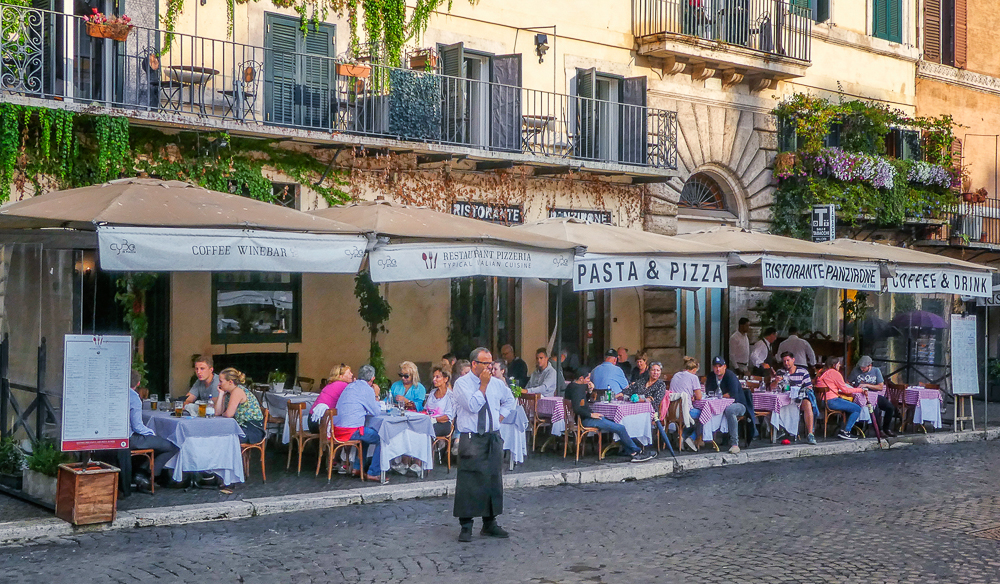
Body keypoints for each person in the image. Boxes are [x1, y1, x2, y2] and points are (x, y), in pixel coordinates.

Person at [453, 347, 515, 542]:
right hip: (472, 437)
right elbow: (473, 406)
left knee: (493, 480)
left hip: (492, 436)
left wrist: (499, 417)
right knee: (469, 480)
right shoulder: (462, 384)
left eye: (491, 363)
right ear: (474, 364)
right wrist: (483, 386)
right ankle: (466, 525)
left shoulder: (497, 383)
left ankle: (490, 523)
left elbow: (510, 400)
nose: (490, 367)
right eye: (486, 363)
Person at [566, 365, 655, 463]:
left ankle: (630, 450)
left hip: (581, 418)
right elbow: (577, 408)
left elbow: (583, 403)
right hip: (585, 419)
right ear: (581, 378)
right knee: (620, 428)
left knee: (616, 424)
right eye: (587, 378)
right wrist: (591, 415)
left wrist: (590, 391)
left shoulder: (572, 386)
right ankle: (636, 452)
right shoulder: (577, 389)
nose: (589, 380)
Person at [119, 370, 178, 495]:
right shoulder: (133, 397)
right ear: (138, 383)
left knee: (156, 442)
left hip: (118, 437)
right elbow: (137, 427)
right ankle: (148, 476)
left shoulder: (116, 393)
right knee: (172, 446)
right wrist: (152, 433)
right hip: (130, 438)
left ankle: (141, 473)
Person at [333, 365, 383, 481]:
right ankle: (374, 472)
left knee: (366, 435)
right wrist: (376, 394)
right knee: (382, 438)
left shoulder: (350, 386)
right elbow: (376, 412)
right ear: (372, 378)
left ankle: (357, 467)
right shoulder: (367, 389)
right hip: (350, 431)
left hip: (337, 429)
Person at [705, 356, 756, 453]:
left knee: (730, 410)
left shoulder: (730, 376)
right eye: (715, 366)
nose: (718, 369)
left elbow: (732, 394)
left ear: (725, 366)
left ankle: (734, 444)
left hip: (739, 404)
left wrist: (719, 396)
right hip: (719, 404)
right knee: (705, 408)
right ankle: (699, 439)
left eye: (720, 366)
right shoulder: (711, 376)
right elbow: (708, 392)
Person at [772, 351, 818, 445]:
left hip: (799, 399)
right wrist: (776, 381)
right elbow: (772, 388)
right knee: (775, 403)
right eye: (784, 361)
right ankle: (780, 429)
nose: (786, 363)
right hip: (785, 400)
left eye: (788, 360)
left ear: (793, 360)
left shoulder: (803, 372)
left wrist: (798, 390)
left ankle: (810, 434)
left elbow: (809, 387)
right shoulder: (780, 372)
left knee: (807, 404)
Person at [623, 360, 671, 447]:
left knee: (633, 419)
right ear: (649, 371)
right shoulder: (642, 381)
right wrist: (621, 394)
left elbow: (656, 400)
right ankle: (628, 443)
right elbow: (628, 391)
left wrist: (642, 400)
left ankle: (637, 444)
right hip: (635, 409)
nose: (655, 372)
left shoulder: (660, 384)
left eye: (658, 370)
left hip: (651, 412)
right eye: (653, 370)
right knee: (625, 419)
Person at [848, 356, 898, 437]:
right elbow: (848, 382)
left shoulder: (876, 371)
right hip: (861, 396)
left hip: (874, 395)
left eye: (864, 367)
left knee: (890, 407)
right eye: (861, 367)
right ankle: (879, 430)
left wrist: (867, 385)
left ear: (870, 365)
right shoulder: (855, 371)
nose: (862, 369)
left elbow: (880, 387)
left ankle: (886, 428)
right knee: (875, 408)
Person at [816, 356, 864, 441]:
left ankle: (842, 429)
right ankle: (846, 432)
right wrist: (860, 390)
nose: (840, 365)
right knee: (857, 408)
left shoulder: (820, 372)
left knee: (849, 407)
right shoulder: (834, 373)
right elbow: (845, 390)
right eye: (838, 364)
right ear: (834, 365)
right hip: (831, 401)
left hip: (821, 402)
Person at [214, 367, 265, 445]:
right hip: (241, 426)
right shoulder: (227, 393)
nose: (219, 384)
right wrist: (221, 394)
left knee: (224, 438)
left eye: (221, 381)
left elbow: (228, 414)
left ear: (230, 382)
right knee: (216, 434)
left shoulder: (237, 391)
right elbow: (217, 413)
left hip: (252, 428)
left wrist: (223, 413)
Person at [670, 356, 705, 452]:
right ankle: (691, 438)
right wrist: (693, 396)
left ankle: (681, 437)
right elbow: (699, 396)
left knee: (692, 420)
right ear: (694, 369)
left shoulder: (676, 375)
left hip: (673, 411)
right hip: (685, 411)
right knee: (705, 415)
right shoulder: (693, 377)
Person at [308, 363, 354, 433]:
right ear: (340, 376)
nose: (352, 374)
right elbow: (354, 399)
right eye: (349, 373)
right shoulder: (343, 385)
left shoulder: (331, 384)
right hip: (322, 423)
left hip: (312, 420)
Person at [425, 367, 455, 438]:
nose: (434, 379)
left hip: (444, 424)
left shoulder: (450, 395)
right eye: (433, 377)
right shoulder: (432, 393)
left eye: (437, 377)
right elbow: (425, 409)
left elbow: (448, 416)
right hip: (429, 422)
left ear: (445, 379)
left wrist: (434, 419)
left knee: (426, 430)